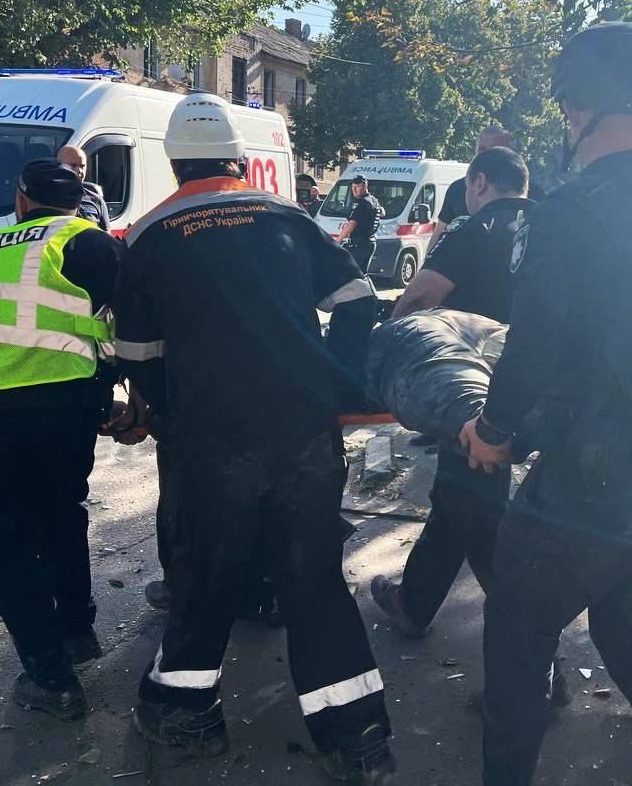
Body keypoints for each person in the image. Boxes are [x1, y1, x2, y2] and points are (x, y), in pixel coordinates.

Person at [460, 22, 632, 786]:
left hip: (594, 485)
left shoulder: (569, 213)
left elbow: (532, 350)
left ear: (576, 107)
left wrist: (492, 430)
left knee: (517, 634)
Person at [111, 93, 395, 781]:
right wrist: (337, 382)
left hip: (212, 438)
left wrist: (164, 412)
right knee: (312, 576)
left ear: (175, 164)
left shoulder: (148, 235)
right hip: (304, 428)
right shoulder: (288, 217)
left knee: (208, 570)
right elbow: (359, 299)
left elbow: (137, 354)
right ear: (238, 159)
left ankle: (184, 711)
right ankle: (357, 739)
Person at [0, 159, 121, 720]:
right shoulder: (90, 242)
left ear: (20, 200)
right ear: (78, 202)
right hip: (70, 408)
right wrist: (131, 395)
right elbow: (132, 323)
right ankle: (75, 631)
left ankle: (51, 676)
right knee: (58, 511)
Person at [371, 147, 534, 638]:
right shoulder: (549, 229)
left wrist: (391, 349)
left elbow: (421, 296)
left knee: (475, 502)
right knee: (461, 496)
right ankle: (414, 604)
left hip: (468, 386)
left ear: (479, 182)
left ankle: (525, 636)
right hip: (528, 380)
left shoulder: (473, 230)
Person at [427, 125, 513, 254]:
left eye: (493, 150)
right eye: (482, 150)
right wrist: (427, 263)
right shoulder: (458, 189)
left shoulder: (524, 191)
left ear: (508, 152)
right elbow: (439, 232)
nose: (486, 156)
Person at [56, 145, 111, 230]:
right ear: (59, 166)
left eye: (82, 166)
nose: (79, 171)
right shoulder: (47, 199)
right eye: (73, 165)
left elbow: (106, 236)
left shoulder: (96, 200)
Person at [337, 175, 383, 273]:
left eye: (356, 187)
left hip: (359, 244)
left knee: (351, 273)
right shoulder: (374, 200)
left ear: (364, 186)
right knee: (362, 273)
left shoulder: (361, 202)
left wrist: (338, 240)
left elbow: (352, 224)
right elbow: (382, 213)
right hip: (371, 242)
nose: (354, 190)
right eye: (353, 187)